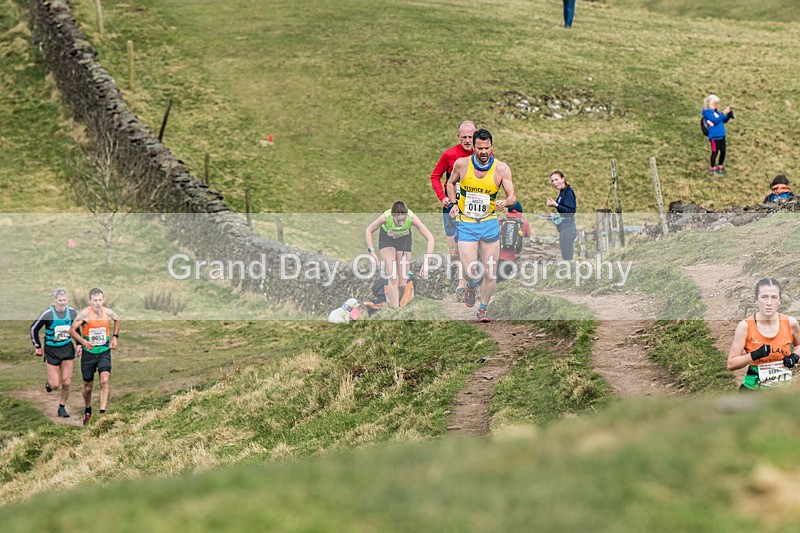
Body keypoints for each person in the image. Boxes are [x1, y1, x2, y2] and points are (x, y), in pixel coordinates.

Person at [447, 128, 516, 323]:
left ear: (491, 146)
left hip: (489, 224)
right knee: (471, 272)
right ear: (474, 147)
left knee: (491, 272)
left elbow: (512, 195)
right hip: (467, 224)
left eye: (487, 148)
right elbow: (450, 183)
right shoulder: (462, 165)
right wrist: (453, 203)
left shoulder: (501, 169)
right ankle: (470, 285)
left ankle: (483, 309)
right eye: (480, 148)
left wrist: (506, 201)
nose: (484, 152)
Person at [727, 278, 800, 392]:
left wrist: (795, 356)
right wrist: (754, 355)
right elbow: (731, 364)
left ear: (780, 300)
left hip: (783, 391)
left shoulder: (791, 323)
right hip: (753, 390)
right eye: (764, 297)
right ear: (756, 299)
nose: (769, 303)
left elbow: (798, 345)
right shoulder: (745, 326)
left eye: (774, 297)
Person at [430, 120, 476, 300]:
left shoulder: (483, 154)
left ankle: (461, 286)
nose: (467, 140)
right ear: (458, 136)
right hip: (451, 208)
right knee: (455, 250)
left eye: (470, 137)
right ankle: (454, 269)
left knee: (467, 247)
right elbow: (435, 176)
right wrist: (443, 197)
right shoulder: (449, 154)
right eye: (464, 137)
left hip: (471, 209)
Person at [365, 201, 435, 308]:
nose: (401, 223)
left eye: (403, 220)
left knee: (402, 283)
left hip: (404, 241)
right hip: (386, 241)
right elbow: (369, 230)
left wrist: (426, 262)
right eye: (398, 220)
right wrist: (372, 252)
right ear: (393, 216)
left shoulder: (412, 218)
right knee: (393, 278)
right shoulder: (385, 218)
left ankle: (396, 305)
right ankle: (395, 310)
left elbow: (430, 238)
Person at [69, 288, 120, 425]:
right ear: (90, 301)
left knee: (105, 380)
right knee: (88, 387)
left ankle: (102, 414)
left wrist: (115, 337)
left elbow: (117, 319)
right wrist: (84, 342)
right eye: (95, 300)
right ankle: (87, 410)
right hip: (89, 354)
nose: (98, 303)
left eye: (100, 300)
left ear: (103, 300)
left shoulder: (108, 312)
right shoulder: (84, 314)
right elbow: (71, 331)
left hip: (104, 352)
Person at [30, 288, 80, 418]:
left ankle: (62, 407)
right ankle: (49, 384)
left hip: (67, 349)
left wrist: (79, 344)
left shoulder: (72, 312)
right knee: (55, 384)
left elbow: (77, 329)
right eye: (60, 301)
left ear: (67, 300)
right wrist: (38, 346)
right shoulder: (48, 314)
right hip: (52, 351)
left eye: (64, 300)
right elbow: (34, 328)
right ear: (55, 300)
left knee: (67, 381)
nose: (62, 303)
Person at [546, 170, 577, 260]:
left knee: (568, 258)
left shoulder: (568, 192)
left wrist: (556, 205)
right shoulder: (562, 192)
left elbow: (571, 212)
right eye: (552, 181)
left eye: (556, 179)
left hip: (568, 229)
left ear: (563, 179)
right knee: (566, 257)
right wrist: (554, 216)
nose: (554, 183)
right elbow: (563, 213)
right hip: (564, 228)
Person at [497, 201, 531, 282]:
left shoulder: (500, 221)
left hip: (497, 260)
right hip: (512, 260)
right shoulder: (524, 223)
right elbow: (527, 237)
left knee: (496, 281)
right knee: (506, 280)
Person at [702, 94, 733, 175]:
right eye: (716, 103)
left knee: (723, 152)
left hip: (721, 135)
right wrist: (723, 113)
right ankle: (712, 168)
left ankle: (720, 167)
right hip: (714, 137)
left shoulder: (716, 112)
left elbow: (722, 120)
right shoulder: (707, 112)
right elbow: (715, 120)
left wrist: (728, 116)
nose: (717, 105)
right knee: (715, 152)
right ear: (711, 103)